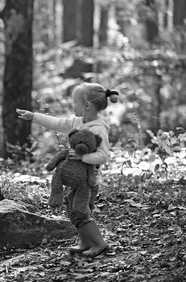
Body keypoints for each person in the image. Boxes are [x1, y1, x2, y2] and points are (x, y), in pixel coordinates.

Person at [17, 82, 119, 258]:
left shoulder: (98, 129)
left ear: (87, 105)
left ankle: (99, 243)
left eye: (75, 102)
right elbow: (57, 123)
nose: (73, 105)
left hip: (88, 180)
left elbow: (103, 156)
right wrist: (34, 116)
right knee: (73, 210)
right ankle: (86, 242)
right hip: (74, 180)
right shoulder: (78, 122)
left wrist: (82, 158)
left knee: (81, 211)